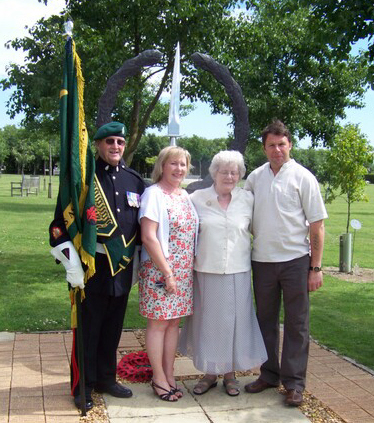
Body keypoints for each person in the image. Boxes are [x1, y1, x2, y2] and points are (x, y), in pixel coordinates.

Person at [49, 122, 145, 410]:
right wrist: (71, 264)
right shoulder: (83, 180)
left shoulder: (134, 180)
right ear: (98, 145)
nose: (115, 146)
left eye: (119, 141)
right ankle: (83, 386)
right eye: (109, 142)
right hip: (92, 266)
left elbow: (141, 225)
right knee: (88, 329)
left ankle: (106, 378)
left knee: (113, 327)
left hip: (122, 267)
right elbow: (58, 226)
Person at [244, 120, 328, 406]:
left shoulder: (303, 177)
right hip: (262, 261)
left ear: (289, 144)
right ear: (264, 147)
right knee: (264, 321)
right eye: (271, 145)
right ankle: (269, 375)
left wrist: (315, 268)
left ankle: (294, 383)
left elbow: (317, 225)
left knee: (297, 324)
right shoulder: (255, 177)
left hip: (295, 261)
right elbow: (247, 218)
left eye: (282, 144)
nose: (277, 149)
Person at [179, 150, 267, 397]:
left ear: (240, 175)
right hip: (206, 270)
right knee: (209, 325)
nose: (229, 175)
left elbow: (260, 229)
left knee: (233, 325)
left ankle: (230, 374)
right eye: (224, 171)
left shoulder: (247, 199)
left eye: (234, 171)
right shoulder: (196, 198)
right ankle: (209, 373)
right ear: (214, 173)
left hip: (238, 272)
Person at [138, 146, 199, 402]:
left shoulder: (185, 195)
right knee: (159, 323)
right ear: (162, 166)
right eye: (173, 164)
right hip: (159, 271)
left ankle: (170, 374)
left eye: (183, 164)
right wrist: (168, 273)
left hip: (183, 272)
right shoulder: (153, 194)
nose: (179, 169)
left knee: (174, 323)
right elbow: (149, 237)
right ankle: (158, 378)